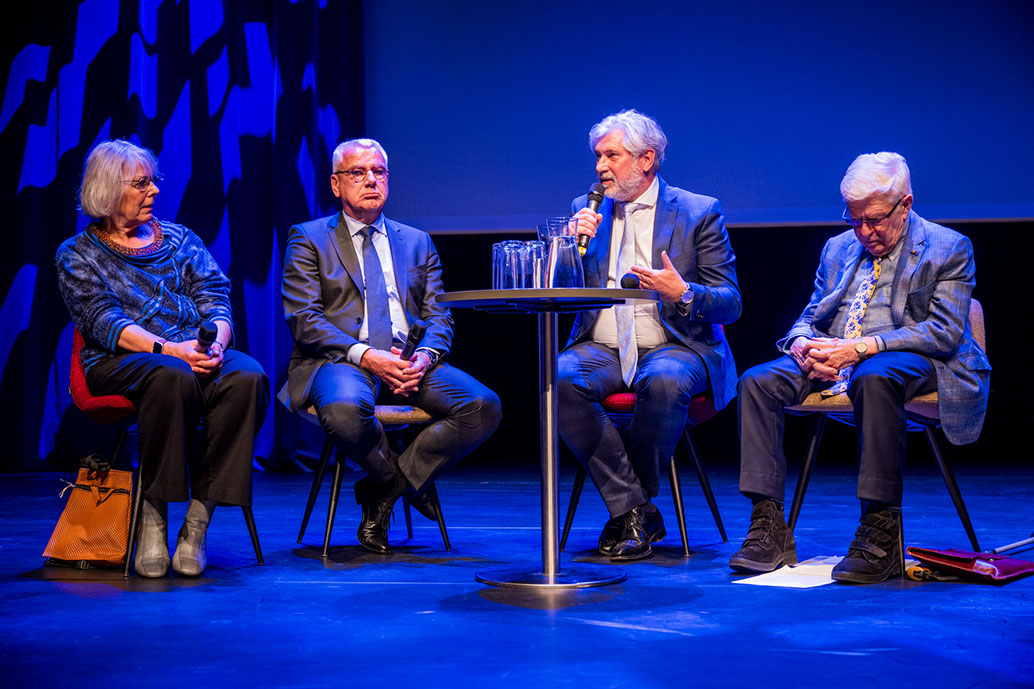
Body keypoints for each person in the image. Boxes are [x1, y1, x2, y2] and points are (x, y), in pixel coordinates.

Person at [732, 152, 991, 583]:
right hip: (837, 354)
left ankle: (880, 527)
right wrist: (801, 343)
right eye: (855, 220)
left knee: (875, 376)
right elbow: (811, 315)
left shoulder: (949, 247)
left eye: (874, 220)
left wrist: (862, 348)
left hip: (918, 359)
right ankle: (768, 525)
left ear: (905, 205)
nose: (864, 232)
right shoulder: (837, 248)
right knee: (757, 382)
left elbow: (944, 332)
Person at [55, 139, 270, 578]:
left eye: (153, 181)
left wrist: (216, 344)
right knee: (170, 375)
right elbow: (104, 321)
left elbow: (215, 296)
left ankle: (198, 521)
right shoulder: (77, 254)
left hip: (189, 352)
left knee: (247, 375)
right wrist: (171, 350)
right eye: (141, 183)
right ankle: (153, 519)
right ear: (109, 190)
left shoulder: (180, 240)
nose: (154, 190)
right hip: (119, 361)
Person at [280, 138, 501, 554]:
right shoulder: (308, 238)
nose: (370, 180)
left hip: (409, 359)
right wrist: (366, 355)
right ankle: (396, 481)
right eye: (357, 172)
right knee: (344, 410)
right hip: (342, 359)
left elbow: (439, 316)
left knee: (482, 406)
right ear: (335, 184)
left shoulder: (417, 241)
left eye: (378, 172)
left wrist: (425, 356)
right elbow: (304, 319)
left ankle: (385, 488)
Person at [559, 110, 742, 561]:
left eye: (611, 156)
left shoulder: (698, 211)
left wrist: (684, 292)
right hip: (602, 345)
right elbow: (561, 291)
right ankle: (635, 509)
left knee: (663, 379)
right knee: (557, 377)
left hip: (676, 343)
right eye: (597, 156)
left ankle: (630, 512)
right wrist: (567, 248)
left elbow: (730, 302)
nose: (601, 167)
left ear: (646, 159)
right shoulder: (587, 211)